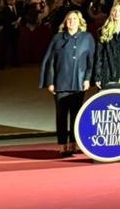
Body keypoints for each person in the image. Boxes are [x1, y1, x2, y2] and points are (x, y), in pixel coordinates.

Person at [39, 10, 95, 156]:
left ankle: (74, 143)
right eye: (69, 19)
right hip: (60, 83)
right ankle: (62, 144)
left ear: (80, 21)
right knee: (61, 115)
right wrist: (50, 82)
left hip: (79, 83)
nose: (72, 22)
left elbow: (91, 61)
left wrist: (88, 78)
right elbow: (50, 61)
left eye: (75, 19)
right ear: (65, 22)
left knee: (77, 115)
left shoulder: (87, 38)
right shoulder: (57, 38)